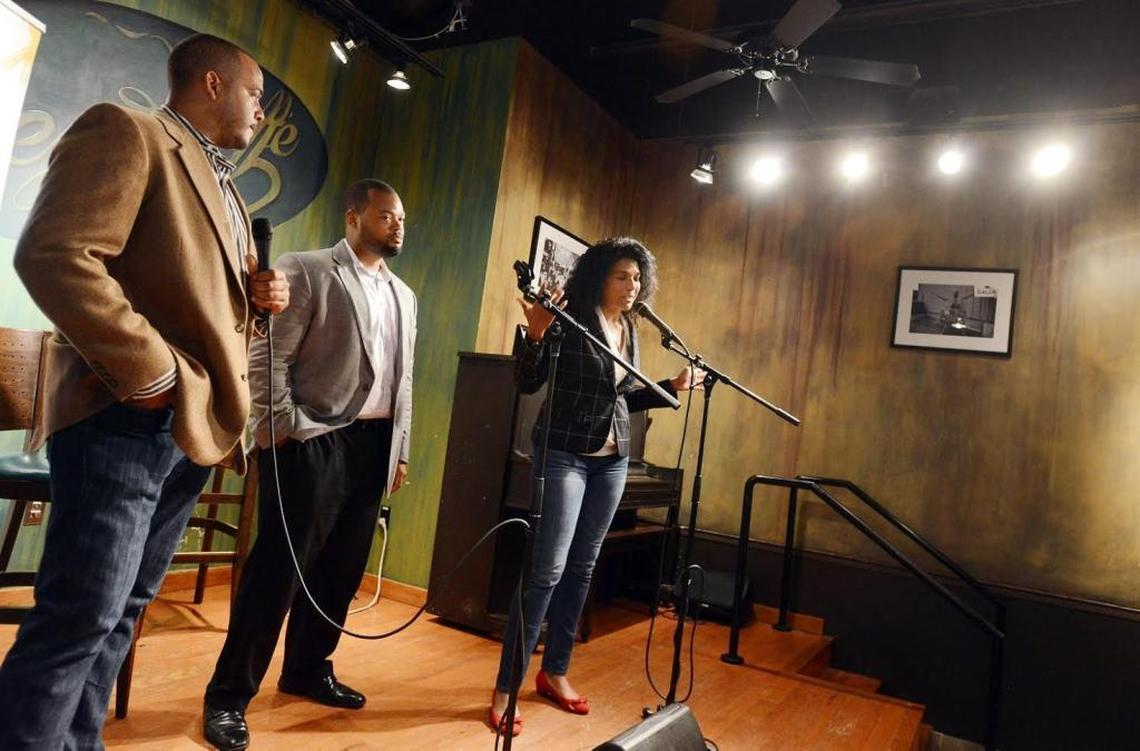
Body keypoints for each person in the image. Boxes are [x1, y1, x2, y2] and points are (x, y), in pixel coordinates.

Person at [0, 34, 288, 750]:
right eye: (257, 94)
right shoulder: (127, 131)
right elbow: (54, 255)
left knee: (123, 611)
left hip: (190, 428)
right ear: (215, 83)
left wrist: (259, 300)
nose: (261, 111)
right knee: (80, 616)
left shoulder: (225, 182)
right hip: (123, 418)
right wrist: (155, 377)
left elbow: (197, 302)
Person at [202, 179, 416, 751]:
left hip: (375, 447)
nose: (397, 225)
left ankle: (306, 669)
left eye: (400, 218)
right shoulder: (310, 267)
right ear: (353, 218)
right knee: (278, 571)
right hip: (313, 438)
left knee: (342, 570)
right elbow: (268, 353)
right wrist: (280, 430)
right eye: (385, 215)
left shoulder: (406, 296)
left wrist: (400, 448)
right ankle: (227, 696)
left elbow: (404, 379)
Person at [488, 237, 703, 736]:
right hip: (564, 454)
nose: (632, 287)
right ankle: (506, 687)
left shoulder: (628, 327)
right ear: (599, 277)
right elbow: (527, 380)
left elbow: (622, 394)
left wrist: (669, 389)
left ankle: (554, 671)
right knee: (547, 569)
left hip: (612, 461)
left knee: (582, 568)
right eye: (622, 277)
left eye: (637, 278)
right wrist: (535, 335)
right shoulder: (569, 316)